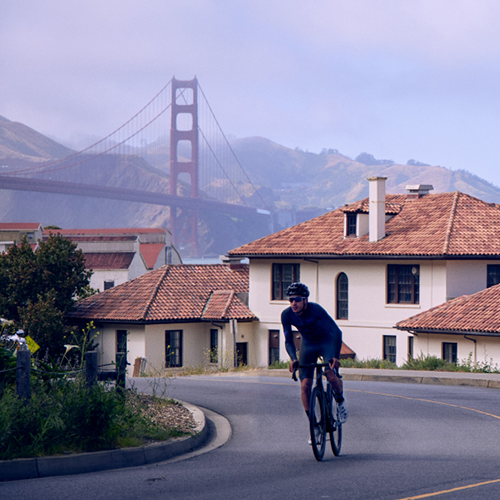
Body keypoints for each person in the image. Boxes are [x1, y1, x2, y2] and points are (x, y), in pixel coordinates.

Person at [281, 282, 348, 426]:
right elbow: (288, 340)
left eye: (297, 299)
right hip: (308, 344)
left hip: (326, 341)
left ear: (305, 300)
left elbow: (336, 332)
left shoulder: (316, 310)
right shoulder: (287, 315)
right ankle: (313, 424)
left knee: (330, 373)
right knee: (305, 384)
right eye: (291, 300)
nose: (294, 303)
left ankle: (340, 400)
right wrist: (293, 359)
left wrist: (335, 357)